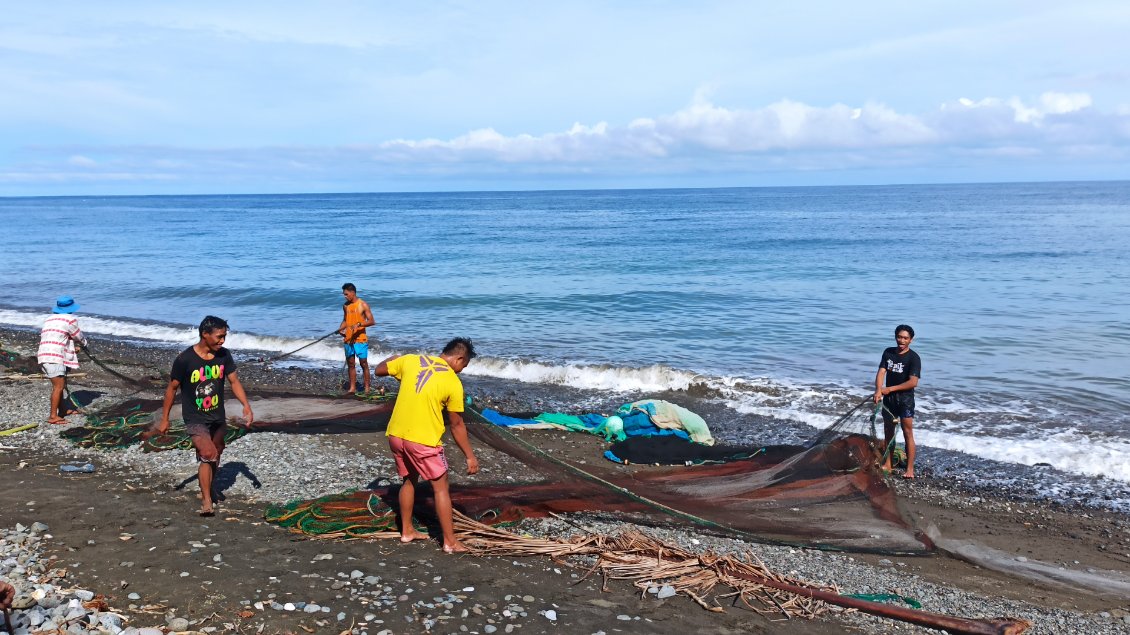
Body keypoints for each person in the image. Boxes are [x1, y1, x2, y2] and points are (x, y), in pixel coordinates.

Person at [375, 337, 480, 553]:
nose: (461, 370)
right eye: (464, 365)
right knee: (441, 488)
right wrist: (470, 455)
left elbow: (379, 370)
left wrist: (397, 358)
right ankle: (450, 542)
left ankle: (406, 531)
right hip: (423, 441)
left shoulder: (411, 361)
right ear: (459, 358)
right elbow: (457, 424)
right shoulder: (452, 382)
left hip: (396, 435)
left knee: (409, 480)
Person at [155, 316, 254, 515]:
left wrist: (246, 405)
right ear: (205, 334)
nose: (222, 341)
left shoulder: (224, 356)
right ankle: (207, 500)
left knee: (216, 455)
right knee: (208, 454)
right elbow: (171, 389)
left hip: (217, 416)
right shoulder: (185, 359)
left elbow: (234, 381)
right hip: (195, 417)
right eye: (219, 337)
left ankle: (210, 486)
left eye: (224, 336)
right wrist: (165, 419)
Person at [874, 324, 922, 479]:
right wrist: (878, 389)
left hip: (905, 399)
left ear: (911, 340)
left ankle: (910, 469)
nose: (902, 340)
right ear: (895, 337)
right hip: (889, 400)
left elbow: (913, 382)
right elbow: (881, 371)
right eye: (899, 337)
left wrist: (890, 389)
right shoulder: (888, 353)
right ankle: (888, 463)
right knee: (889, 432)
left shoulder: (914, 358)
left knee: (908, 433)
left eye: (905, 338)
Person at [36, 295, 88, 424]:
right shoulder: (70, 319)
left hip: (44, 354)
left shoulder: (49, 319)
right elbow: (78, 336)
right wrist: (85, 344)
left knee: (60, 384)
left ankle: (63, 410)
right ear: (71, 308)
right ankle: (53, 416)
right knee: (58, 387)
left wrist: (71, 349)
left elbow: (58, 338)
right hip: (54, 357)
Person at [338, 283, 376, 394]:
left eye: (346, 294)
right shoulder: (345, 306)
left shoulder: (363, 304)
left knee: (363, 363)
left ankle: (367, 388)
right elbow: (345, 320)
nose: (345, 296)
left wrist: (359, 325)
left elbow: (371, 321)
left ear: (353, 292)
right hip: (348, 339)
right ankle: (352, 388)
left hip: (360, 339)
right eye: (344, 294)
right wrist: (341, 329)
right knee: (351, 364)